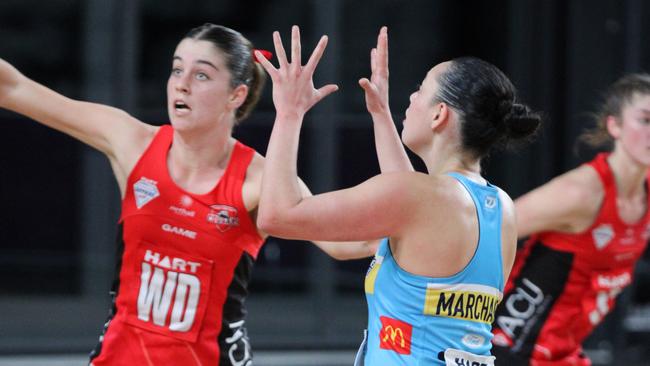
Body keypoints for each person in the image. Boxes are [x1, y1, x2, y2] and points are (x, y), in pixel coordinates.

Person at [0, 23, 376, 366]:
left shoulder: (256, 178)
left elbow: (343, 244)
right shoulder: (132, 142)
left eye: (201, 75)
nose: (181, 84)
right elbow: (15, 87)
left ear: (236, 95)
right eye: (177, 70)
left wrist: (427, 220)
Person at [255, 26, 541, 365]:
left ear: (439, 114)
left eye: (421, 89)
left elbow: (277, 215)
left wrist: (289, 111)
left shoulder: (419, 198)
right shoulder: (500, 207)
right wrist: (381, 115)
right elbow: (409, 209)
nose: (412, 97)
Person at [491, 73, 650, 365]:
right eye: (645, 120)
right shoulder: (580, 193)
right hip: (510, 347)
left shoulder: (645, 191)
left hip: (564, 353)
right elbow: (482, 230)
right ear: (614, 125)